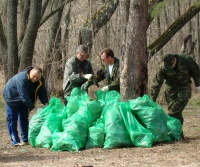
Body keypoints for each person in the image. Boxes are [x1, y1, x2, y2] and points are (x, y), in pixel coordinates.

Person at [150, 53, 200, 139]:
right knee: (175, 110)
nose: (170, 67)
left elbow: (195, 70)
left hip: (184, 84)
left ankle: (171, 116)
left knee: (182, 99)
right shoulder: (163, 68)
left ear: (174, 60)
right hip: (170, 87)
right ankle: (178, 134)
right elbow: (157, 83)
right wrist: (152, 99)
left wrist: (198, 84)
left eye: (171, 65)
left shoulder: (186, 59)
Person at [2, 66, 48, 146]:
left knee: (24, 118)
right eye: (33, 76)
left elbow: (42, 92)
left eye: (37, 77)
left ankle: (25, 139)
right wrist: (33, 108)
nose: (35, 79)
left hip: (24, 99)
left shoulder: (40, 80)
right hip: (12, 96)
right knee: (12, 119)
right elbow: (24, 96)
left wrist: (46, 103)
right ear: (30, 72)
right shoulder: (22, 78)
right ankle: (15, 141)